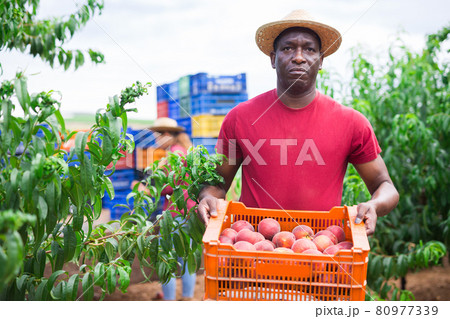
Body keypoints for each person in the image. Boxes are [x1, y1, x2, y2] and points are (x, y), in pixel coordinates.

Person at [197, 10, 399, 236]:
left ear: (320, 60)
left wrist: (374, 206)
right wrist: (208, 198)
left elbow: (385, 186)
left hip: (322, 250)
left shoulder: (352, 122)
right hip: (253, 249)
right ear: (273, 59)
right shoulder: (241, 117)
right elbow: (217, 184)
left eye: (310, 49)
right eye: (288, 48)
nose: (299, 57)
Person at [133, 117, 197, 301]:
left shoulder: (174, 154)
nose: (156, 140)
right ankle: (187, 298)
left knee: (165, 259)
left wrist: (146, 189)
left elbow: (169, 186)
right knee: (186, 258)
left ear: (167, 135)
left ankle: (168, 300)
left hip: (176, 213)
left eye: (157, 136)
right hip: (190, 211)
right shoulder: (184, 151)